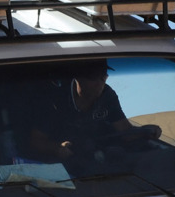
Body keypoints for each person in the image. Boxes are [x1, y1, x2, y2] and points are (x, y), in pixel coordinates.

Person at [27, 60, 161, 167]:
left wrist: (147, 131)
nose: (99, 83)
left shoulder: (108, 96)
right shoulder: (56, 98)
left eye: (103, 77)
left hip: (94, 159)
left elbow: (125, 132)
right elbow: (36, 141)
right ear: (78, 77)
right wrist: (57, 149)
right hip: (58, 164)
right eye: (93, 77)